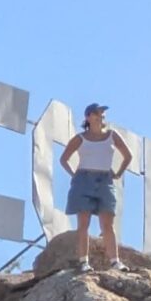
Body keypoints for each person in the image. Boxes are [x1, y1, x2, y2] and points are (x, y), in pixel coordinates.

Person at [61, 101, 134, 267]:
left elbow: (128, 155)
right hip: (84, 178)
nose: (100, 116)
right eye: (96, 113)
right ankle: (83, 261)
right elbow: (64, 159)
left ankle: (115, 261)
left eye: (101, 113)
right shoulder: (80, 138)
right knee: (83, 222)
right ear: (88, 117)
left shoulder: (111, 135)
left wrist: (118, 173)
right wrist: (74, 174)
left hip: (105, 179)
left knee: (107, 222)